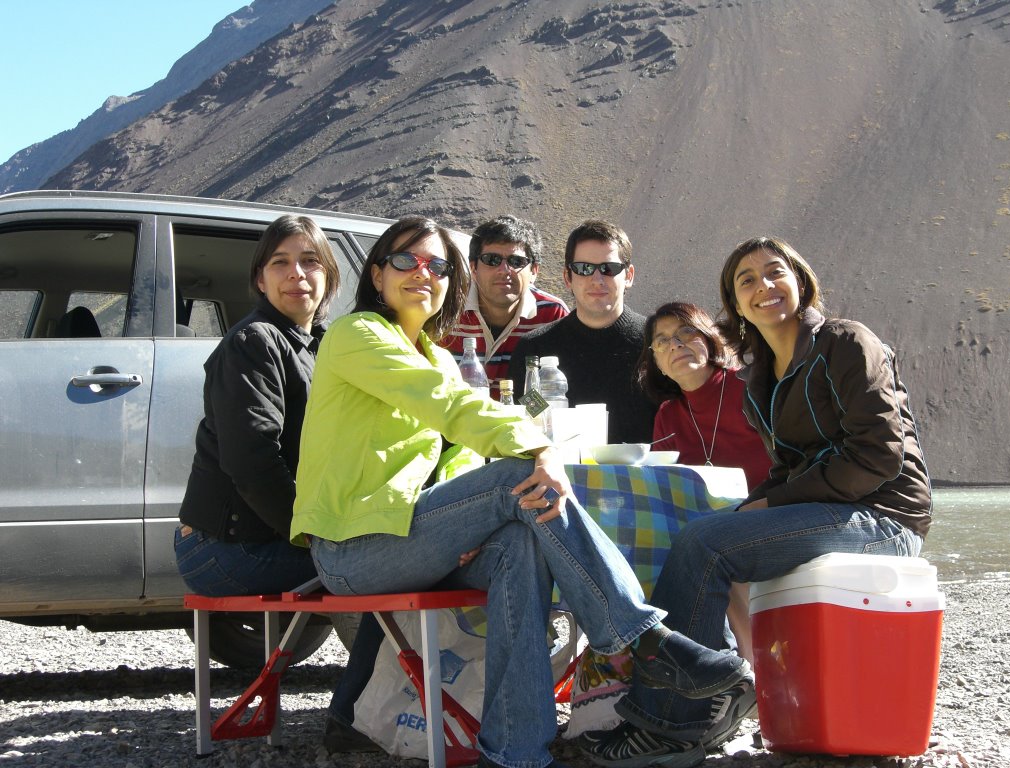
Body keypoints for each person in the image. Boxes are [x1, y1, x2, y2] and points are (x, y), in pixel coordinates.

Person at [291, 216, 751, 768]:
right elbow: (453, 408)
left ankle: (517, 752)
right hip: (353, 548)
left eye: (437, 265)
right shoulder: (357, 335)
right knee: (520, 476)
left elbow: (458, 458)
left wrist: (469, 523)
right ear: (376, 273)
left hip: (417, 538)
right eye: (405, 261)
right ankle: (647, 643)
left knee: (520, 543)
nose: (422, 273)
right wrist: (539, 449)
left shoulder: (437, 356)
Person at [581, 236, 932, 767]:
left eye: (775, 273)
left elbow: (878, 458)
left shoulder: (845, 342)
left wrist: (773, 502)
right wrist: (759, 504)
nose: (763, 286)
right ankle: (702, 702)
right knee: (702, 533)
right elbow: (789, 469)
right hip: (831, 512)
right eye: (747, 281)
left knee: (707, 545)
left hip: (883, 515)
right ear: (736, 304)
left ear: (800, 280)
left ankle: (676, 723)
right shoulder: (764, 376)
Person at [175, 215, 339, 596]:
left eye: (310, 261)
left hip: (276, 534)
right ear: (260, 280)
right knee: (375, 566)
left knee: (390, 557)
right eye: (279, 262)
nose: (296, 273)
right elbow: (252, 459)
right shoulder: (253, 343)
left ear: (329, 275)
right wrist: (315, 536)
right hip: (230, 548)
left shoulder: (328, 346)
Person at [637, 301, 772, 663]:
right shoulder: (668, 415)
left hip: (772, 513)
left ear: (709, 340)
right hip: (709, 527)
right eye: (662, 341)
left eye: (686, 333)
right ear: (657, 362)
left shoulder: (749, 390)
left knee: (716, 545)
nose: (676, 345)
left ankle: (749, 665)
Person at [508, 219, 657, 444]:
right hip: (560, 476)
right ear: (568, 277)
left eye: (608, 269)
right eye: (584, 269)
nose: (596, 280)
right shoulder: (533, 353)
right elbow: (528, 426)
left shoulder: (657, 344)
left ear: (628, 276)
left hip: (643, 477)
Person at [441, 215, 568, 397]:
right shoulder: (446, 310)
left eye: (516, 262)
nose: (504, 270)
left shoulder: (553, 314)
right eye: (492, 260)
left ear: (534, 271)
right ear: (473, 268)